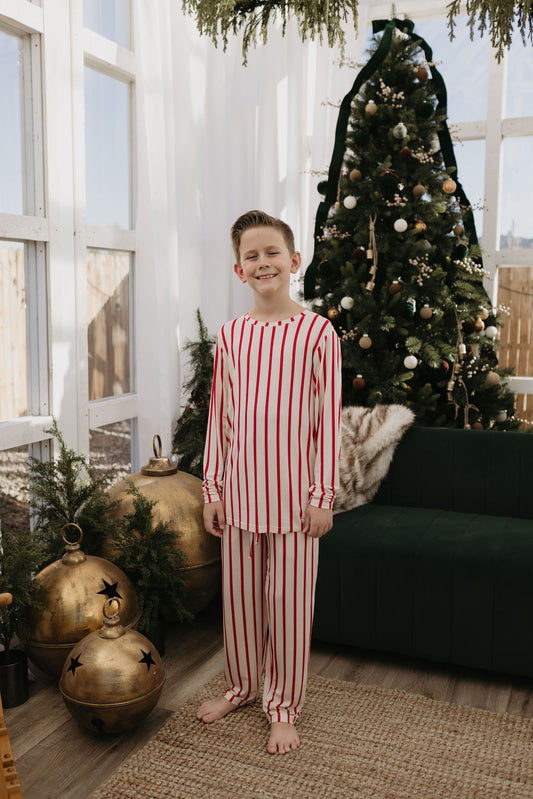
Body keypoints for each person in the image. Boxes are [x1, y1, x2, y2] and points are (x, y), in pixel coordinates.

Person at [197, 209, 342, 754]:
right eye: (252, 256)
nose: (263, 263)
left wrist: (322, 495)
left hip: (296, 504)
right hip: (239, 499)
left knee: (287, 606)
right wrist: (212, 490)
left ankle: (283, 706)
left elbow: (327, 423)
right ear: (239, 271)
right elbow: (222, 419)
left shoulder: (318, 334)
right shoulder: (231, 337)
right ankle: (240, 687)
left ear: (294, 260)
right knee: (239, 604)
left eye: (272, 253)